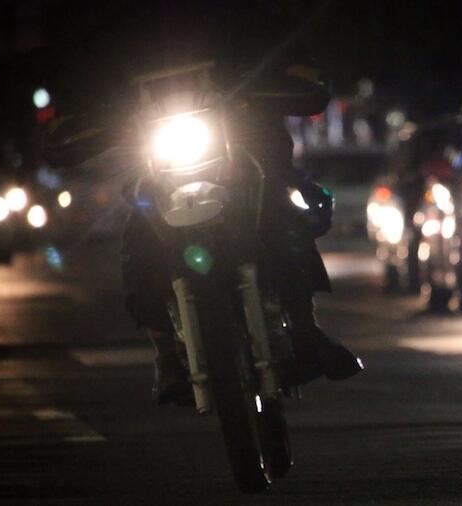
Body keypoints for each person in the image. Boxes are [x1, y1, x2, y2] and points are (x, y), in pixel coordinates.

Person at [44, 0, 362, 404]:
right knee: (142, 233)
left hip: (247, 144)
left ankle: (304, 327)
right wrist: (73, 119)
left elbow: (287, 51)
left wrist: (295, 78)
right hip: (160, 161)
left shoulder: (238, 13)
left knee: (282, 207)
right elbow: (83, 82)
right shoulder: (119, 26)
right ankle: (166, 351)